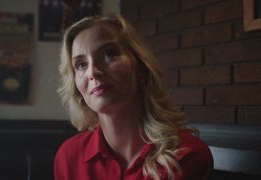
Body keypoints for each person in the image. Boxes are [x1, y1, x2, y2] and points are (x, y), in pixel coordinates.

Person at [54, 15, 213, 180]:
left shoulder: (187, 155)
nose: (93, 72)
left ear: (142, 68)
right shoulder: (68, 157)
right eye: (81, 65)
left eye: (108, 54)